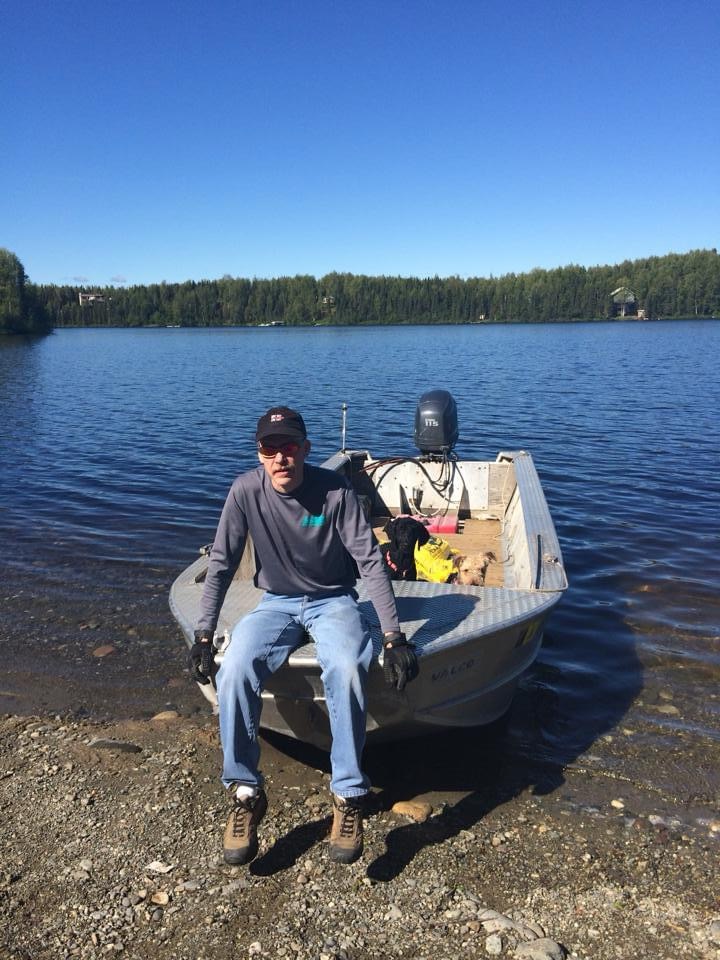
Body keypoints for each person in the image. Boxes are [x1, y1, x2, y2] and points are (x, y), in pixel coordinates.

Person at [188, 405, 419, 866]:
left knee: (349, 666)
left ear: (305, 450)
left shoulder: (335, 490)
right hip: (274, 603)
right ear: (259, 453)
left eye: (288, 447)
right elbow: (220, 565)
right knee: (233, 668)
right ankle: (244, 793)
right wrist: (203, 632)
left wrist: (393, 637)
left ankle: (348, 795)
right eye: (269, 449)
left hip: (333, 600)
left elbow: (371, 562)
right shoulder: (244, 492)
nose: (280, 459)